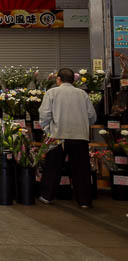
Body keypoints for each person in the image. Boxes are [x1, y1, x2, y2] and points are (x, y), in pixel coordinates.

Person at [38, 67, 97, 208]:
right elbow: (92, 116)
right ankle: (84, 201)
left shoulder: (52, 93)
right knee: (81, 170)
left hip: (58, 136)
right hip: (80, 136)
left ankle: (47, 196)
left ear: (58, 79)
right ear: (73, 80)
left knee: (53, 168)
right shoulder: (82, 94)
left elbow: (44, 114)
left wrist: (48, 131)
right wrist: (83, 126)